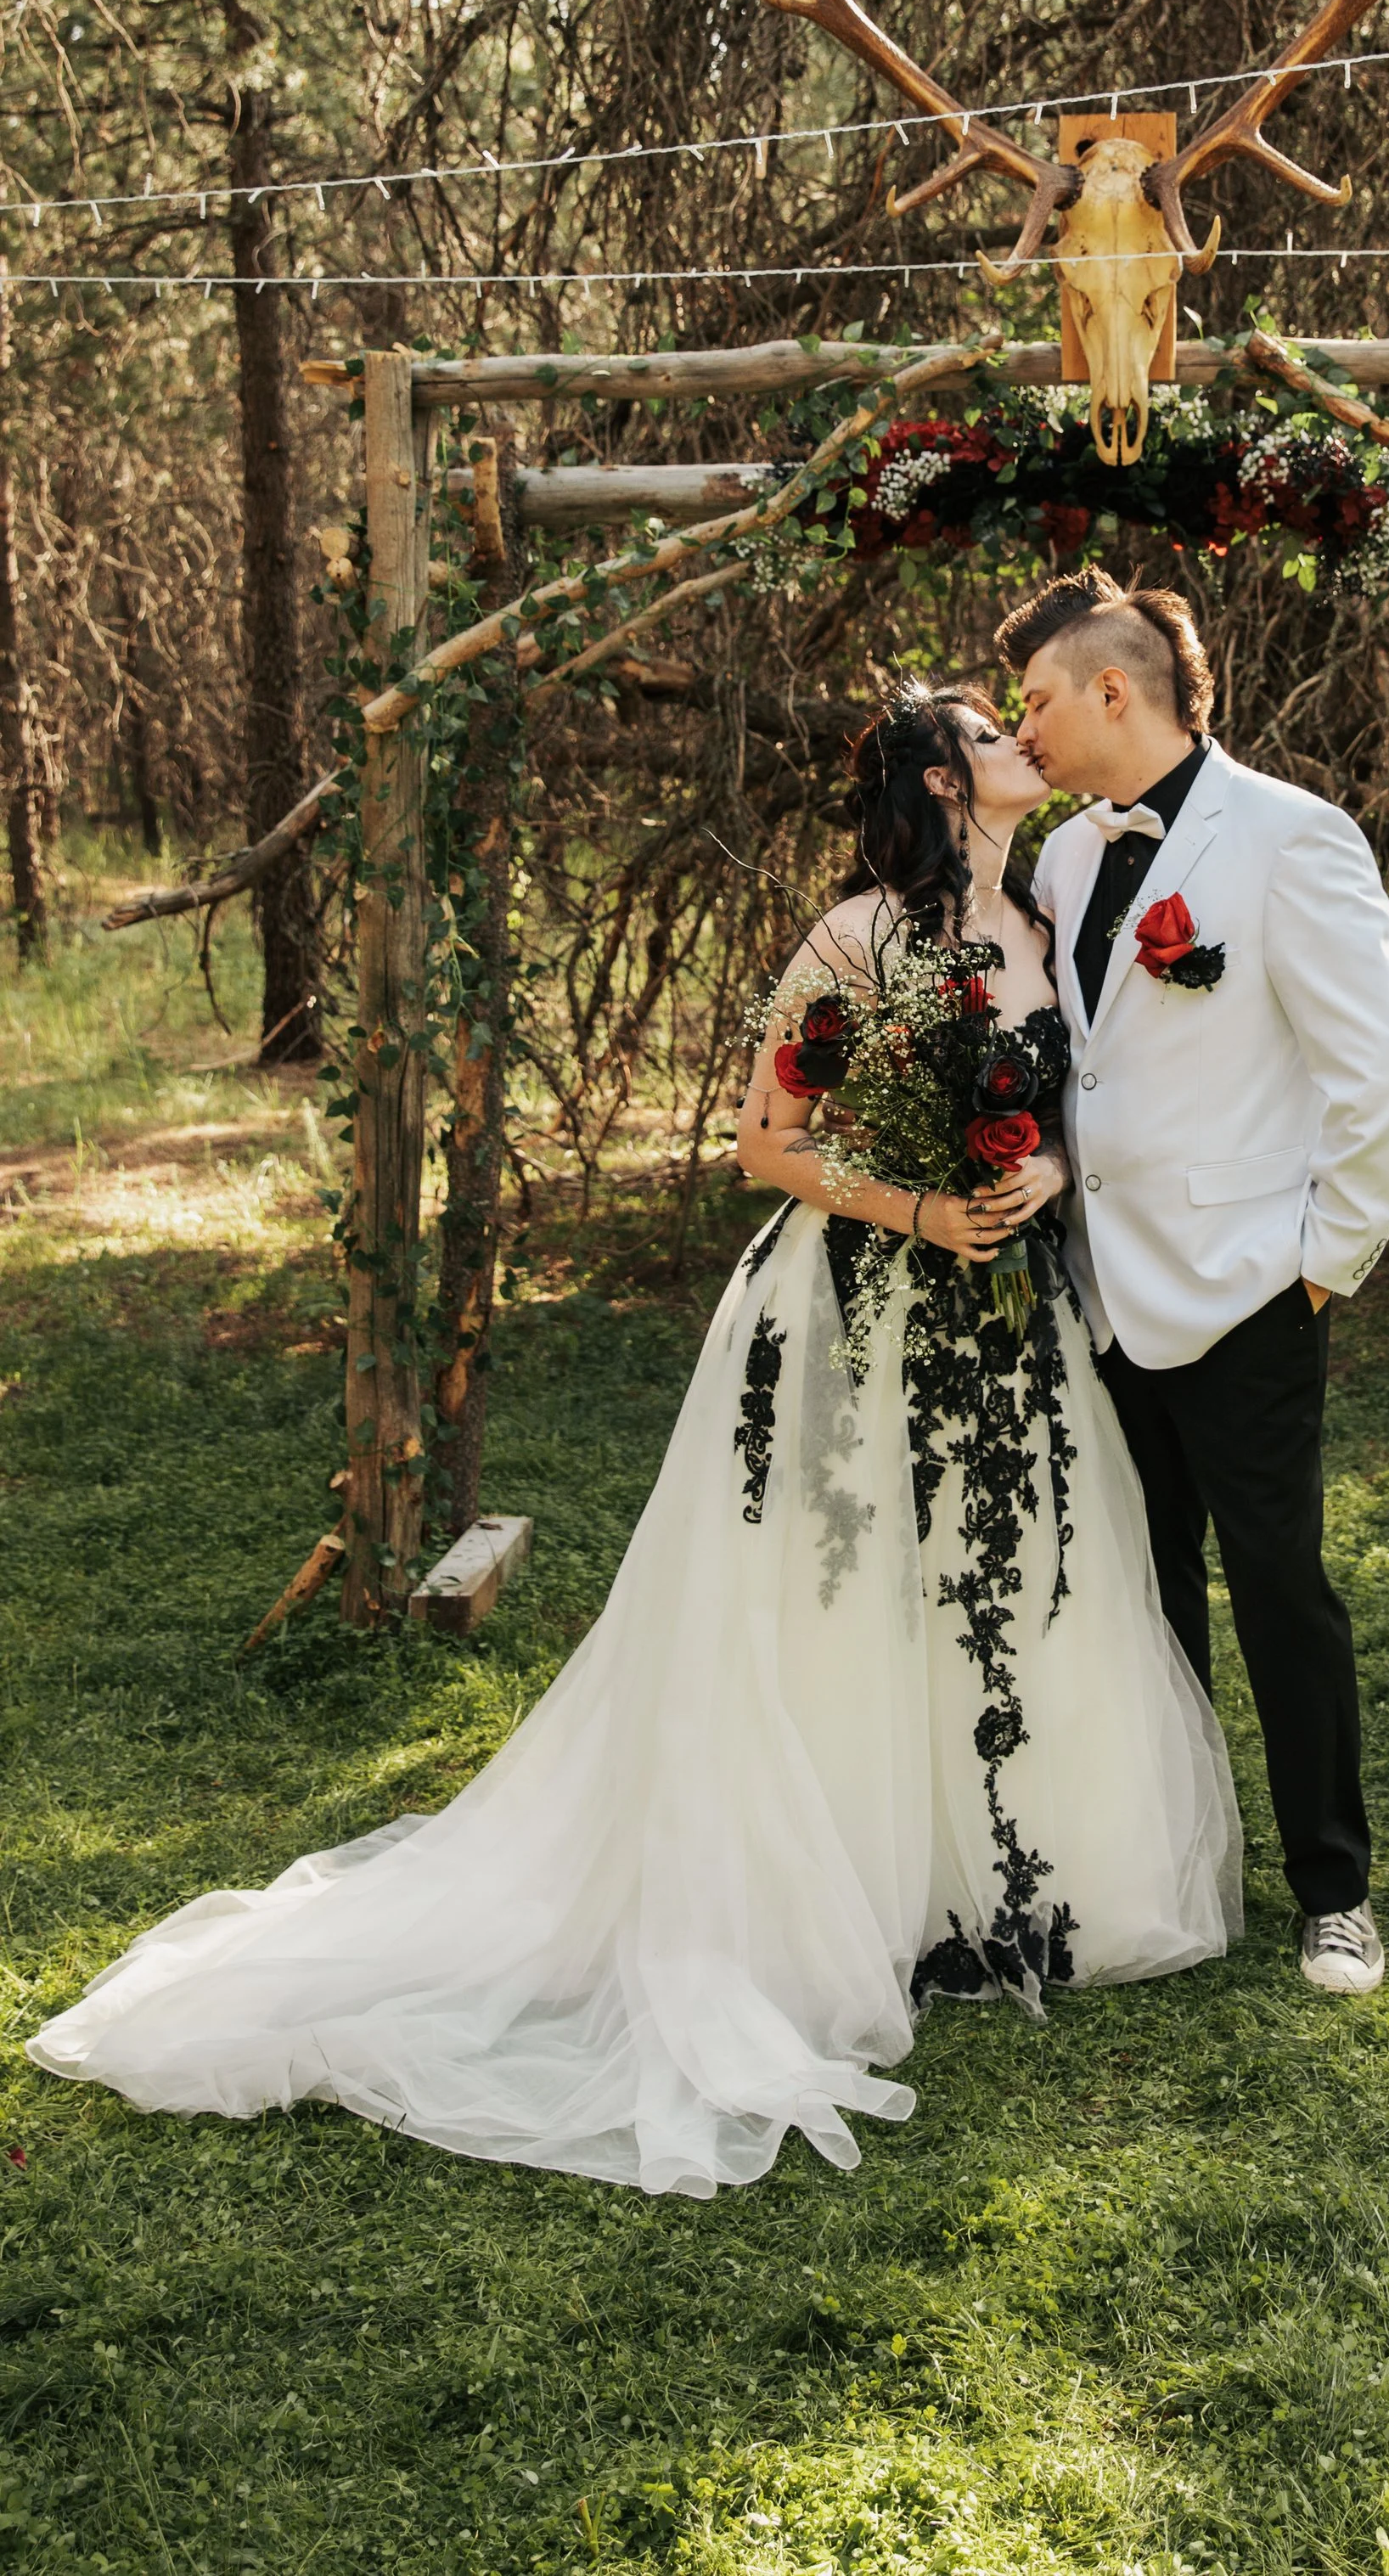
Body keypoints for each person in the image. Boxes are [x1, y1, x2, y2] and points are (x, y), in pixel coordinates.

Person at [28, 684, 1238, 2198]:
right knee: (843, 1599)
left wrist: (1038, 1175)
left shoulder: (1050, 927)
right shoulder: (856, 938)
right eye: (997, 733)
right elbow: (766, 1142)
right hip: (857, 1310)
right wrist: (927, 1206)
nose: (1027, 747)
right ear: (942, 778)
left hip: (1008, 1324)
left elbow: (1080, 1096)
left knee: (990, 1589)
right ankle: (847, 1895)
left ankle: (988, 1890)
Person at [999, 570, 1389, 1997]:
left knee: (1280, 1589)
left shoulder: (1294, 839)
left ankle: (1334, 1889)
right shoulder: (1065, 858)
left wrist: (1323, 1267)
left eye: (1041, 699)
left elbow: (1385, 1074)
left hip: (1251, 1289)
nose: (1029, 725)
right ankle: (1181, 1865)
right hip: (1105, 1293)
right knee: (1145, 1591)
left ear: (1114, 690)